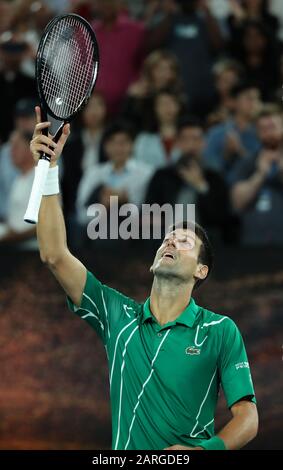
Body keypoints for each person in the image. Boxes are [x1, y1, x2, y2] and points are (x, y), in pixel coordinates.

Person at [30, 107, 258, 450]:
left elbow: (248, 417)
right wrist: (47, 168)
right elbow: (54, 254)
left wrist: (202, 451)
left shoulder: (219, 331)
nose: (170, 241)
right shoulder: (116, 315)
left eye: (184, 242)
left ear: (201, 270)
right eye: (168, 237)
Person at [145, 117, 236, 243]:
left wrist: (201, 186)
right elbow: (149, 214)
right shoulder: (162, 176)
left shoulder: (214, 178)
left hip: (203, 246)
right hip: (166, 244)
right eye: (185, 140)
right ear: (177, 143)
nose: (191, 145)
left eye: (196, 139)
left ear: (204, 143)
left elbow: (222, 219)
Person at [76, 121, 153, 226]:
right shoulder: (94, 173)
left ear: (132, 145)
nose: (118, 148)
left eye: (123, 142)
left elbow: (151, 213)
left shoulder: (146, 174)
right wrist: (103, 207)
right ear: (105, 146)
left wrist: (124, 201)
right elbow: (80, 213)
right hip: (96, 233)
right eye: (113, 143)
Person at [230, 105, 283, 245]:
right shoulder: (247, 163)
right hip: (253, 246)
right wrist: (259, 174)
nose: (268, 133)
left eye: (272, 127)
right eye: (263, 129)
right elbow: (237, 203)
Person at [92, 0, 145, 115]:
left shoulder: (136, 30)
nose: (106, 5)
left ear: (120, 3)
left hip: (128, 106)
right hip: (95, 108)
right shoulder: (88, 31)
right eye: (102, 2)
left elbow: (144, 63)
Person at [61, 91, 108, 218]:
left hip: (108, 204)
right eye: (89, 107)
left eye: (98, 106)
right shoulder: (70, 146)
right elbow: (68, 182)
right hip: (77, 206)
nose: (94, 111)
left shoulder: (112, 140)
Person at [204, 82, 261, 182]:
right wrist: (226, 154)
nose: (255, 103)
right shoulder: (216, 133)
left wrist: (240, 151)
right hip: (222, 188)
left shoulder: (262, 133)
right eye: (249, 98)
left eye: (257, 99)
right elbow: (208, 169)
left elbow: (264, 170)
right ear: (234, 102)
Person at [0, 129, 36, 248]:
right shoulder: (18, 179)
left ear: (31, 148)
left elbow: (47, 223)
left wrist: (12, 236)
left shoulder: (41, 178)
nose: (11, 152)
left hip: (33, 248)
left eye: (16, 147)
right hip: (13, 244)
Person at [134, 89, 185, 169]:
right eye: (163, 104)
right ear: (155, 108)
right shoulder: (144, 139)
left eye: (171, 102)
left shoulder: (188, 135)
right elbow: (139, 166)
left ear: (178, 106)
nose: (167, 107)